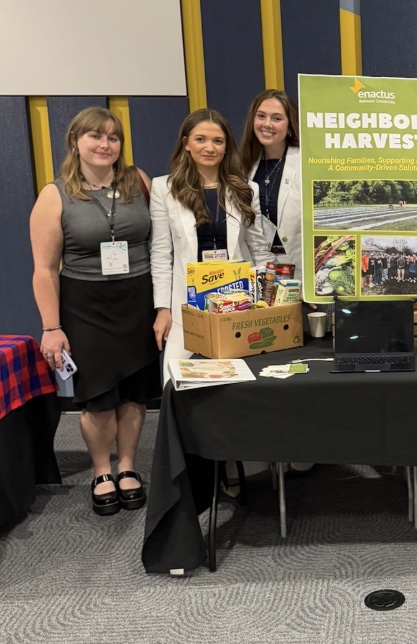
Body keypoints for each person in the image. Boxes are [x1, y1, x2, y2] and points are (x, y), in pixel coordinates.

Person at [30, 107, 160, 515]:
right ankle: (102, 471)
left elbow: (159, 244)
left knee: (135, 394)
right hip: (86, 306)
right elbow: (45, 270)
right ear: (75, 141)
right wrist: (51, 327)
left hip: (137, 300)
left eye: (113, 137)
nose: (105, 145)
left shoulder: (139, 181)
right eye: (95, 137)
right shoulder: (55, 194)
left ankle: (127, 466)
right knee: (98, 397)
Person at [150, 109, 273, 375]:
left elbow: (258, 248)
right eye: (201, 139)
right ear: (186, 144)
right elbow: (160, 253)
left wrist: (267, 298)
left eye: (218, 141)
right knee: (176, 380)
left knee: (236, 381)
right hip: (188, 306)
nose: (209, 147)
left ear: (226, 146)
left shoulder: (246, 189)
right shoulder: (164, 189)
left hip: (239, 302)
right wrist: (162, 308)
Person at [240, 89, 303, 280]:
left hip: (300, 271)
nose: (267, 124)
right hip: (259, 269)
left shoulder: (305, 163)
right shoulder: (242, 165)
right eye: (261, 116)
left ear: (290, 124)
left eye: (277, 118)